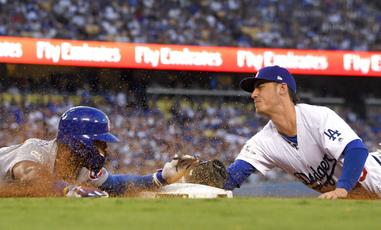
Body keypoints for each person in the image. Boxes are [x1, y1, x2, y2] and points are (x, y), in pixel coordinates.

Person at [223, 65, 381, 199]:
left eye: (260, 87)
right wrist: (201, 177)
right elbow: (230, 177)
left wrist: (342, 188)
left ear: (282, 88)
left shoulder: (317, 117)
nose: (253, 94)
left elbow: (356, 150)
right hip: (362, 200)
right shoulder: (262, 143)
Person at [0, 106, 197, 197]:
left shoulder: (81, 167)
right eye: (99, 143)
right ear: (78, 143)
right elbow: (30, 176)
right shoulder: (37, 149)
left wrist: (160, 178)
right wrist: (69, 190)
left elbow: (114, 184)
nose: (105, 149)